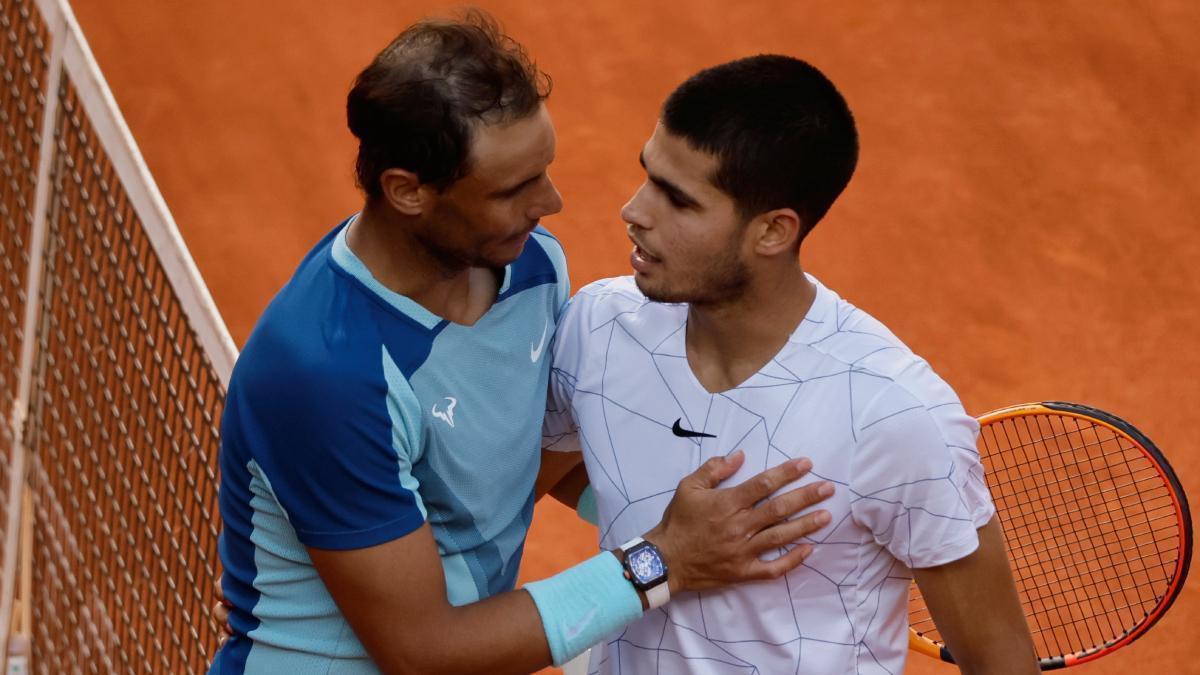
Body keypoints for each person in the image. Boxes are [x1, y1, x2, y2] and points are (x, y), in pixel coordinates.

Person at [210, 13, 833, 674]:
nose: (552, 202)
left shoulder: (531, 268)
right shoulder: (326, 374)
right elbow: (422, 649)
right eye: (514, 190)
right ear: (407, 191)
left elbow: (521, 466)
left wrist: (725, 529)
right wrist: (664, 557)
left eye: (544, 170)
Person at [539, 55, 1038, 674]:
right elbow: (525, 484)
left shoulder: (895, 415)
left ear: (773, 232)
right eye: (648, 176)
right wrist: (675, 542)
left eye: (679, 200)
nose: (634, 210)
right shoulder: (599, 329)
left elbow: (1000, 663)